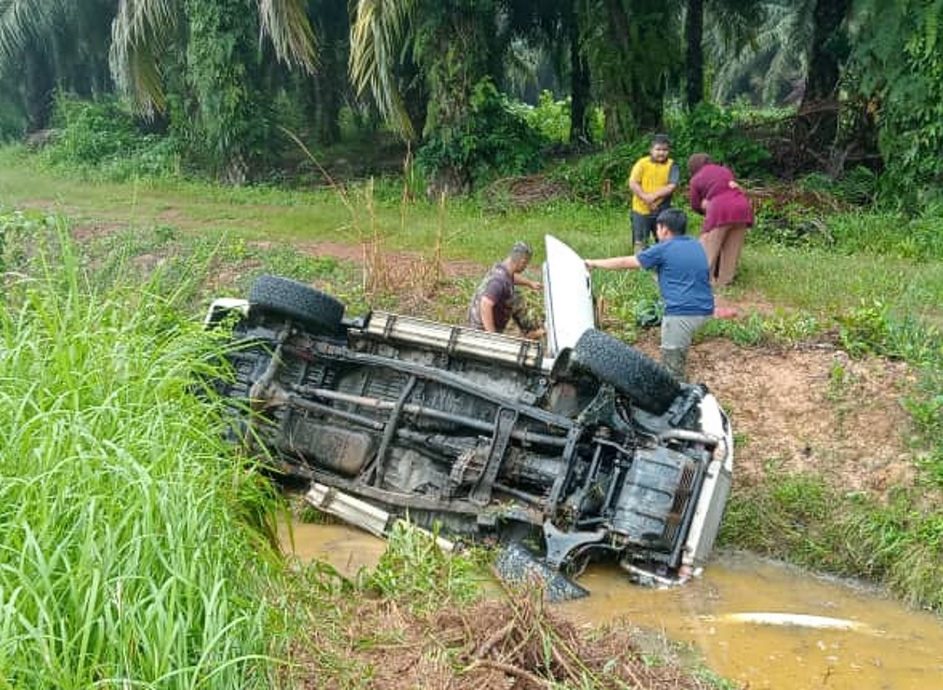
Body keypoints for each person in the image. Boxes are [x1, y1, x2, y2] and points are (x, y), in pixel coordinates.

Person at [584, 208, 713, 381]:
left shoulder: (663, 249)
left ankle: (678, 395)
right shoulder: (695, 245)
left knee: (672, 370)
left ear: (664, 229)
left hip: (681, 314)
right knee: (680, 351)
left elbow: (626, 262)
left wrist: (593, 263)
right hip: (704, 310)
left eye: (657, 228)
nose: (656, 232)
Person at [687, 153, 754, 287]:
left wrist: (705, 207)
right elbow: (732, 187)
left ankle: (704, 282)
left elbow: (695, 204)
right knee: (732, 250)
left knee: (708, 248)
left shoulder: (696, 179)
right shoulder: (724, 170)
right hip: (742, 207)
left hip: (720, 209)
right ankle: (725, 282)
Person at [468, 241, 544, 339]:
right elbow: (485, 304)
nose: (526, 267)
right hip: (480, 331)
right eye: (526, 264)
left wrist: (530, 283)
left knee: (515, 295)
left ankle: (531, 331)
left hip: (477, 323)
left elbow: (511, 278)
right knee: (515, 299)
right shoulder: (498, 281)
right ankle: (531, 332)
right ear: (522, 261)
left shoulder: (502, 269)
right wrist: (492, 337)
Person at [628, 134, 681, 254]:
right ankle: (640, 266)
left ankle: (663, 262)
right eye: (658, 149)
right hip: (640, 208)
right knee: (640, 241)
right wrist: (646, 198)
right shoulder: (642, 163)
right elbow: (633, 182)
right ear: (651, 150)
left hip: (663, 209)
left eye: (665, 150)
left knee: (664, 239)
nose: (661, 153)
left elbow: (672, 186)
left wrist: (653, 197)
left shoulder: (672, 165)